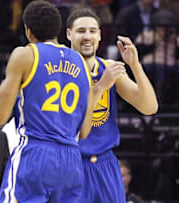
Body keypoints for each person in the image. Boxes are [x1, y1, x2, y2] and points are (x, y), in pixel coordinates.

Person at [0, 1, 94, 202]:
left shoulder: (25, 54)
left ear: (28, 31)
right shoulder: (82, 62)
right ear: (60, 30)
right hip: (71, 160)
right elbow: (84, 131)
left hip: (35, 152)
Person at [66, 8, 158, 202]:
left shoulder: (108, 68)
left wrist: (135, 66)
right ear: (69, 34)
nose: (87, 36)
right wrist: (101, 86)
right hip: (71, 163)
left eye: (92, 31)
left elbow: (149, 107)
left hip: (106, 165)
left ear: (100, 34)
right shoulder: (60, 71)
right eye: (81, 31)